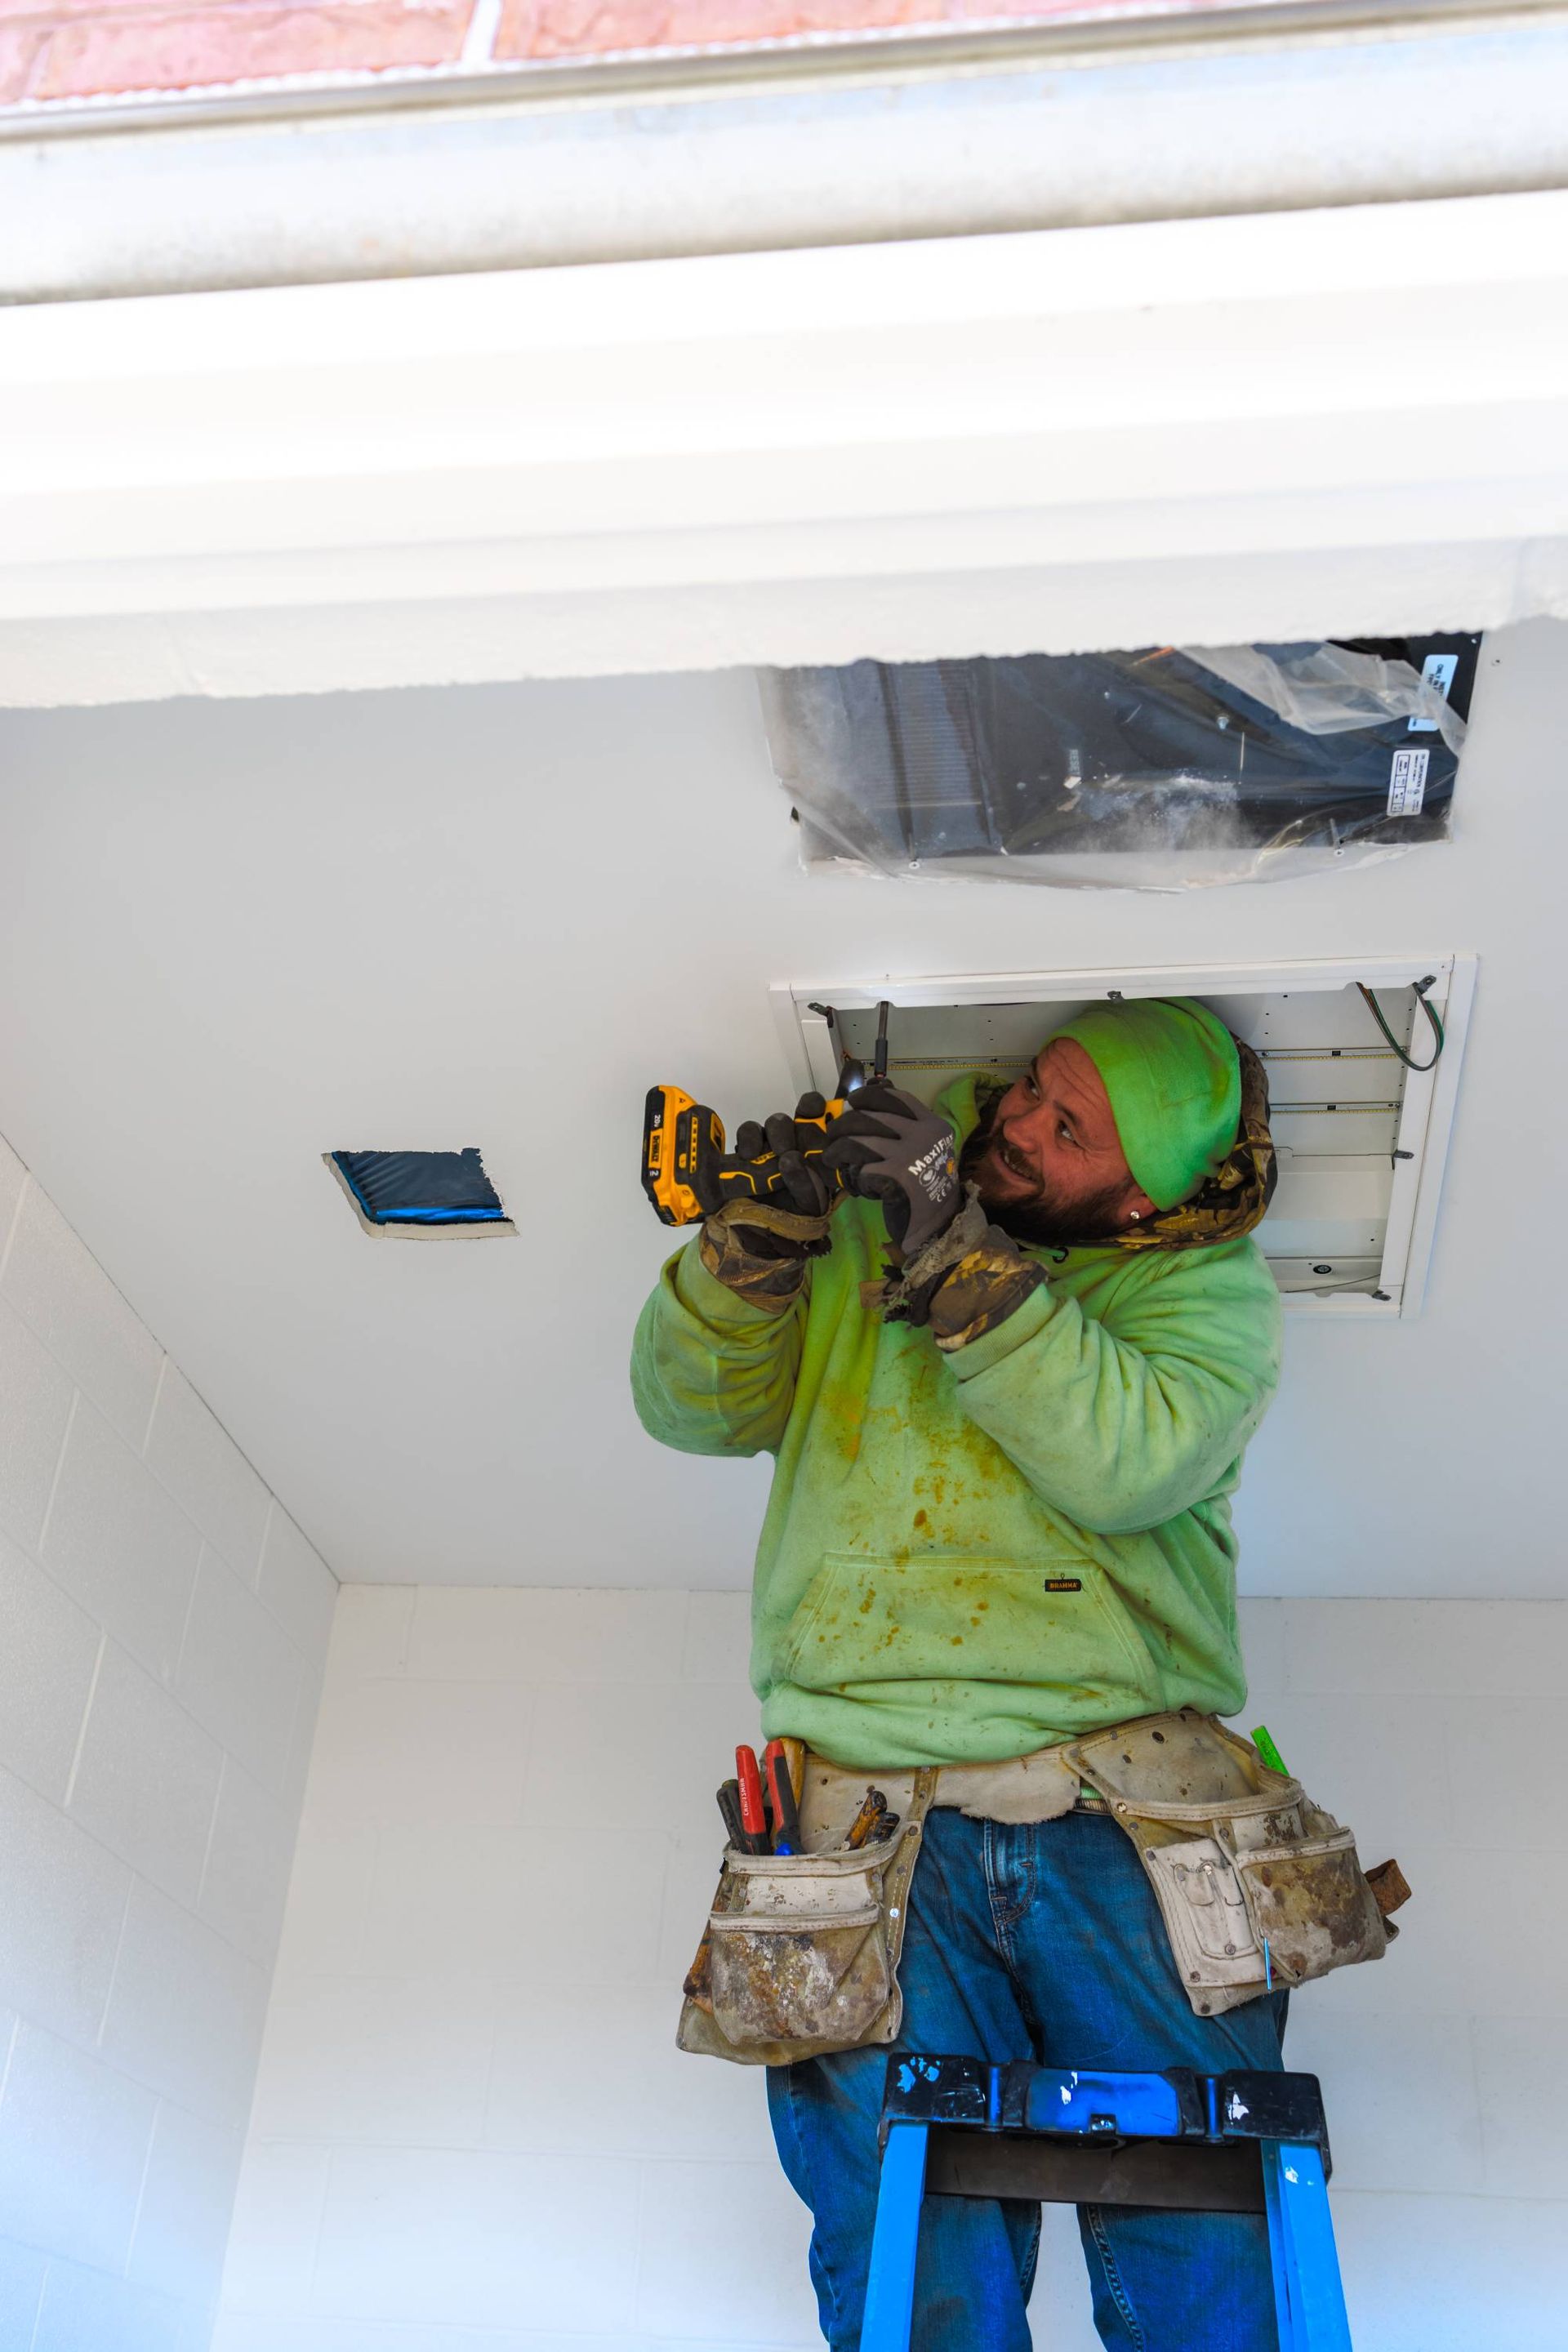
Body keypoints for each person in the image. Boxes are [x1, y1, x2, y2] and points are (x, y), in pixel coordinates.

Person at [631, 998, 1285, 2351]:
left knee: (1195, 2238)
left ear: (1150, 1189)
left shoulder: (1207, 1291)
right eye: (1031, 1093)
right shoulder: (877, 1231)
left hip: (1123, 1809)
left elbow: (1127, 1462)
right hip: (863, 1811)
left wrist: (963, 1258)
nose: (1020, 1131)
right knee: (907, 2248)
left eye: (1069, 1131)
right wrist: (748, 1254)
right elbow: (687, 1410)